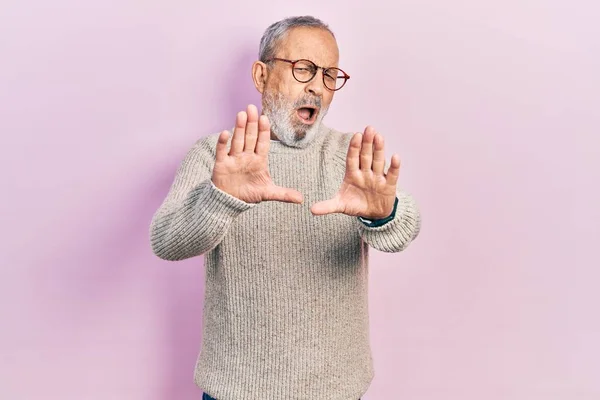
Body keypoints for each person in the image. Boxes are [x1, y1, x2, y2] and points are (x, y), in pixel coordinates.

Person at [150, 15, 421, 400]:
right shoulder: (218, 156)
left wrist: (384, 214)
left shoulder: (350, 156)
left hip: (335, 390)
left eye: (330, 75)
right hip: (234, 390)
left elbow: (406, 227)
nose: (317, 87)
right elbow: (165, 241)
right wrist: (220, 199)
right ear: (261, 76)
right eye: (304, 68)